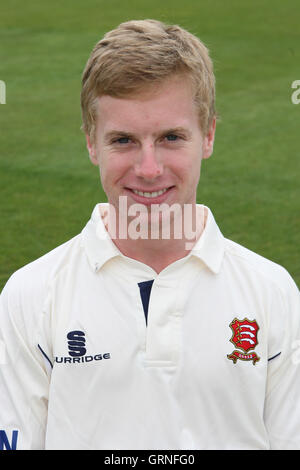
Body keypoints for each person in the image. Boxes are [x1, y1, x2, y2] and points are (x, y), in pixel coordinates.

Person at [0, 19, 299, 451]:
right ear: (90, 143)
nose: (149, 169)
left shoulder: (273, 293)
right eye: (123, 140)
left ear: (209, 135)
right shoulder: (29, 295)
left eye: (171, 137)